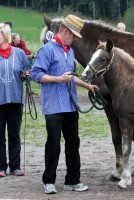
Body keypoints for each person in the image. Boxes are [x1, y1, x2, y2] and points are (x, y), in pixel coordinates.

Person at [31, 14, 99, 194]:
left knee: (73, 143)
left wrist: (87, 86)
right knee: (53, 144)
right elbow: (36, 74)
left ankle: (72, 181)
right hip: (53, 105)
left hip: (69, 105)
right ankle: (49, 181)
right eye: (74, 35)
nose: (76, 39)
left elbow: (70, 76)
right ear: (66, 31)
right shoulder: (47, 50)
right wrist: (58, 79)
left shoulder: (70, 51)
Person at [0, 23, 30, 177]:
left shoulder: (19, 53)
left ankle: (15, 166)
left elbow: (27, 69)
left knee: (14, 134)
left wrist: (26, 74)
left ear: (5, 35)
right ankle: (0, 167)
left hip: (15, 99)